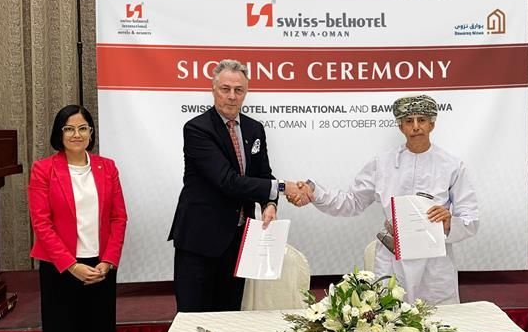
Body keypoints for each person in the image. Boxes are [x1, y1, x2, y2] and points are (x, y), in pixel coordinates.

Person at [291, 94, 479, 305]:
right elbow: (351, 202)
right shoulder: (382, 164)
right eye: (409, 121)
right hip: (392, 256)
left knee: (439, 324)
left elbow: (471, 219)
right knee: (390, 323)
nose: (416, 127)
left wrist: (449, 221)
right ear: (401, 127)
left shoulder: (452, 166)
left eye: (422, 120)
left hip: (435, 261)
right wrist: (314, 192)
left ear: (432, 124)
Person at [28, 105, 128, 332]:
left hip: (100, 269)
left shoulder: (107, 168)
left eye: (83, 128)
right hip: (60, 270)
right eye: (69, 129)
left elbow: (118, 218)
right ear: (59, 133)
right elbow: (41, 223)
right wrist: (71, 265)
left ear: (91, 133)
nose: (76, 135)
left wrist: (108, 261)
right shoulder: (44, 170)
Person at [168, 59, 301, 312]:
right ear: (213, 90)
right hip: (199, 242)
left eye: (238, 90)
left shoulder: (254, 128)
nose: (231, 96)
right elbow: (227, 181)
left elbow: (264, 174)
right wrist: (283, 187)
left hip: (239, 241)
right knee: (195, 319)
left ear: (246, 92)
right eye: (225, 89)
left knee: (231, 317)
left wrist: (269, 204)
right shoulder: (197, 129)